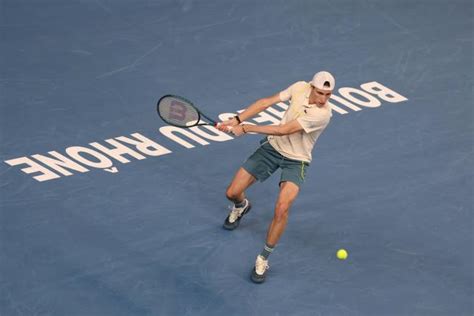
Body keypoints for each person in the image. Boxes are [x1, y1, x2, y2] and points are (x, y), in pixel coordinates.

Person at [216, 71, 335, 283]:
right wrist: (236, 119)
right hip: (272, 149)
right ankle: (241, 205)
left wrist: (247, 128)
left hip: (297, 160)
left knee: (282, 208)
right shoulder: (299, 87)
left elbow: (285, 130)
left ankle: (263, 257)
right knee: (232, 192)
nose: (323, 99)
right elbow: (266, 102)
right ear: (311, 87)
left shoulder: (323, 114)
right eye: (320, 93)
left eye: (328, 95)